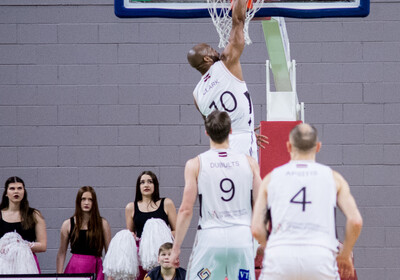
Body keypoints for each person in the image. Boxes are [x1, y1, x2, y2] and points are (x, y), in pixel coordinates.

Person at [251, 123, 363, 280]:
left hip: (280, 257)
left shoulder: (271, 178)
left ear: (289, 146)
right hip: (320, 257)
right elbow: (355, 221)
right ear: (318, 147)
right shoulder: (334, 178)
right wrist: (345, 254)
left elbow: (256, 228)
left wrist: (271, 248)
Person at [170, 110, 262, 280]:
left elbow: (185, 210)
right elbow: (261, 204)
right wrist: (263, 242)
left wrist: (176, 248)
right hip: (241, 237)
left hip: (210, 237)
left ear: (206, 132)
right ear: (231, 131)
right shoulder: (250, 162)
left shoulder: (195, 164)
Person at [187, 0, 268, 161]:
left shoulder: (196, 95)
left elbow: (211, 128)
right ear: (206, 58)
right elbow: (238, 21)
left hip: (220, 147)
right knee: (250, 185)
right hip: (243, 140)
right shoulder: (226, 63)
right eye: (211, 49)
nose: (216, 49)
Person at [125, 171, 177, 280]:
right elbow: (130, 234)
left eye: (150, 181)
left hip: (163, 254)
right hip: (140, 257)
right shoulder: (131, 207)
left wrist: (157, 236)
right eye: (142, 182)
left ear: (155, 185)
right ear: (138, 187)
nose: (146, 185)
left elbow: (177, 231)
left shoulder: (166, 203)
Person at [56, 186, 111, 280]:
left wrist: (110, 276)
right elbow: (61, 253)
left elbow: (109, 253)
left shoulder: (103, 224)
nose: (86, 202)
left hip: (95, 268)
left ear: (94, 203)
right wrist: (59, 275)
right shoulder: (68, 224)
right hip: (74, 269)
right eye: (83, 199)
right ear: (78, 201)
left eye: (90, 200)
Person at [0, 176, 47, 272]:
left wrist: (23, 245)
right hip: (3, 263)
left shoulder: (34, 214)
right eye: (12, 188)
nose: (16, 191)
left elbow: (43, 246)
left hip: (27, 264)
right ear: (6, 193)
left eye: (19, 188)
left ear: (24, 192)